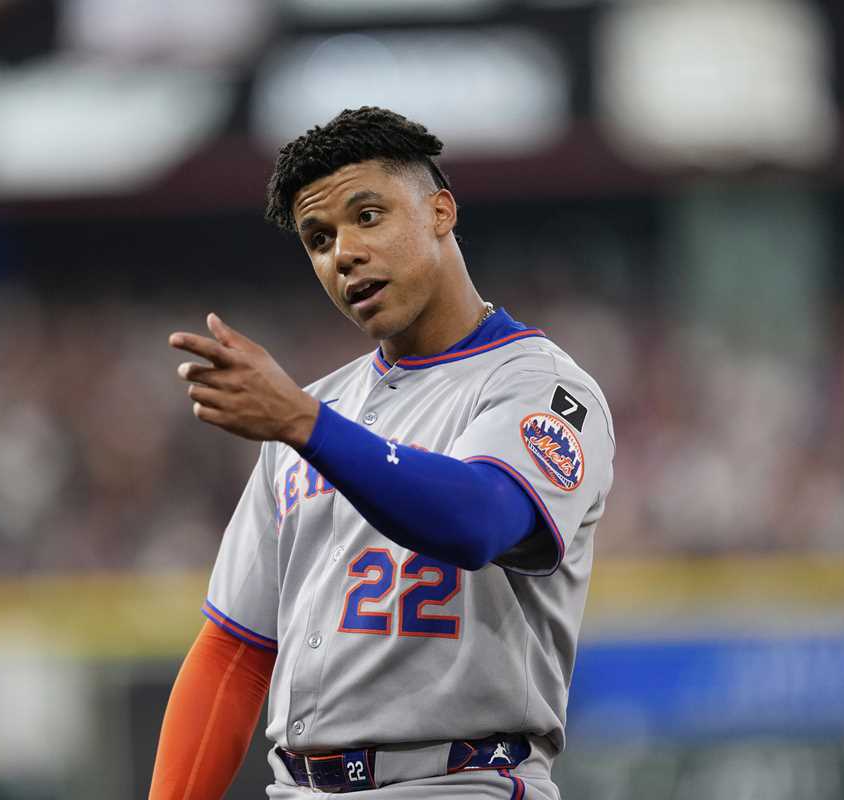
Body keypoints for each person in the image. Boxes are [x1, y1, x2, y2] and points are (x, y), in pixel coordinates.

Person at [150, 107, 615, 799]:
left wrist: (304, 424)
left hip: (458, 781)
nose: (343, 253)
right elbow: (235, 650)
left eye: (368, 216)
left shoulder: (540, 385)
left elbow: (477, 522)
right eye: (319, 238)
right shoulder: (310, 410)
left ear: (440, 211)